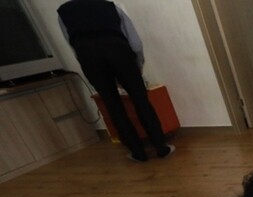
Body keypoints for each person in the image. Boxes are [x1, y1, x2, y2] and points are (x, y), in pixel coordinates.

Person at [57, 0, 173, 163]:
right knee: (141, 100)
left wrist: (86, 60)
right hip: (118, 50)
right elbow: (135, 42)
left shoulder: (64, 12)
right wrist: (138, 64)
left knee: (113, 105)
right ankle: (161, 147)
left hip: (88, 56)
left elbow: (71, 41)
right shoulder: (109, 7)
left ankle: (137, 152)